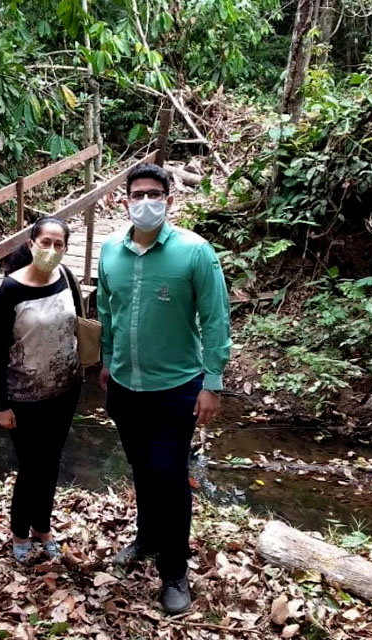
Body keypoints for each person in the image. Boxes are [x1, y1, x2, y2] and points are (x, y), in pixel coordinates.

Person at [97, 163, 231, 614]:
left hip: (176, 387)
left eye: (155, 193)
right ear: (125, 199)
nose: (145, 202)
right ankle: (147, 538)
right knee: (140, 466)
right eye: (137, 194)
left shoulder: (195, 253)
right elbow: (106, 311)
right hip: (124, 385)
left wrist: (212, 383)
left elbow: (216, 320)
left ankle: (174, 573)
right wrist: (105, 363)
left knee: (171, 477)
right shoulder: (111, 251)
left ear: (170, 199)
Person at [0, 218, 83, 564]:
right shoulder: (10, 291)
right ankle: (19, 532)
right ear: (31, 243)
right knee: (30, 467)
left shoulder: (67, 278)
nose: (51, 250)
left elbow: (78, 326)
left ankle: (43, 526)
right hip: (24, 396)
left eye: (59, 244)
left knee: (51, 461)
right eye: (46, 242)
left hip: (65, 388)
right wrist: (1, 405)